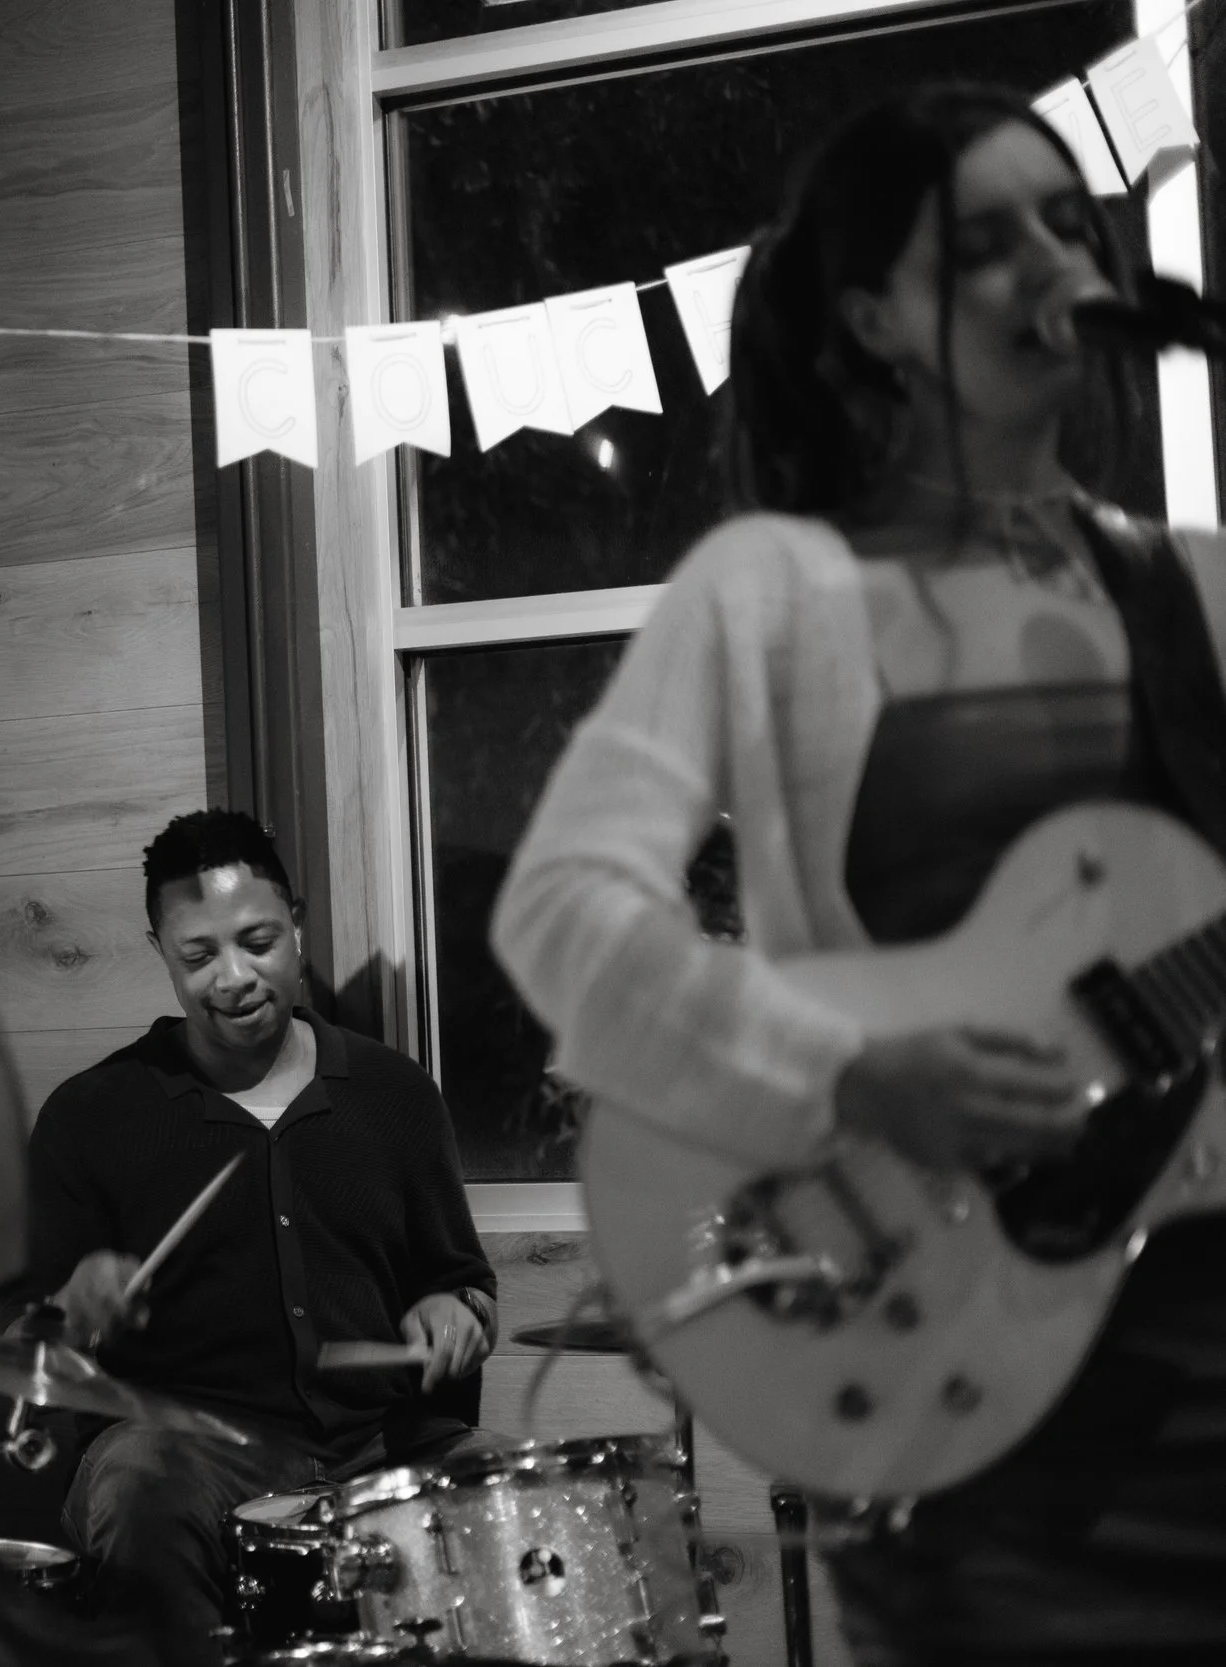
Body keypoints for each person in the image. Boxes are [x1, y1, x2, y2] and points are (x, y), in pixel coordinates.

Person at [494, 80, 1226, 1665]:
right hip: (962, 1376)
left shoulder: (1188, 587)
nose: (1052, 258)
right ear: (874, 318)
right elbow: (559, 911)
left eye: (1069, 223)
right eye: (985, 240)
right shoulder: (772, 591)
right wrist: (855, 1075)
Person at [25, 809, 496, 1667]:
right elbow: (39, 1355)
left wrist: (455, 1310)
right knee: (137, 1481)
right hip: (193, 1447)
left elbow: (464, 1280)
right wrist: (73, 1309)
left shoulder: (393, 1094)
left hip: (386, 1441)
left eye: (258, 942)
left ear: (297, 921)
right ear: (160, 949)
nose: (234, 978)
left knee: (517, 1499)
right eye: (198, 956)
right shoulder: (90, 1115)